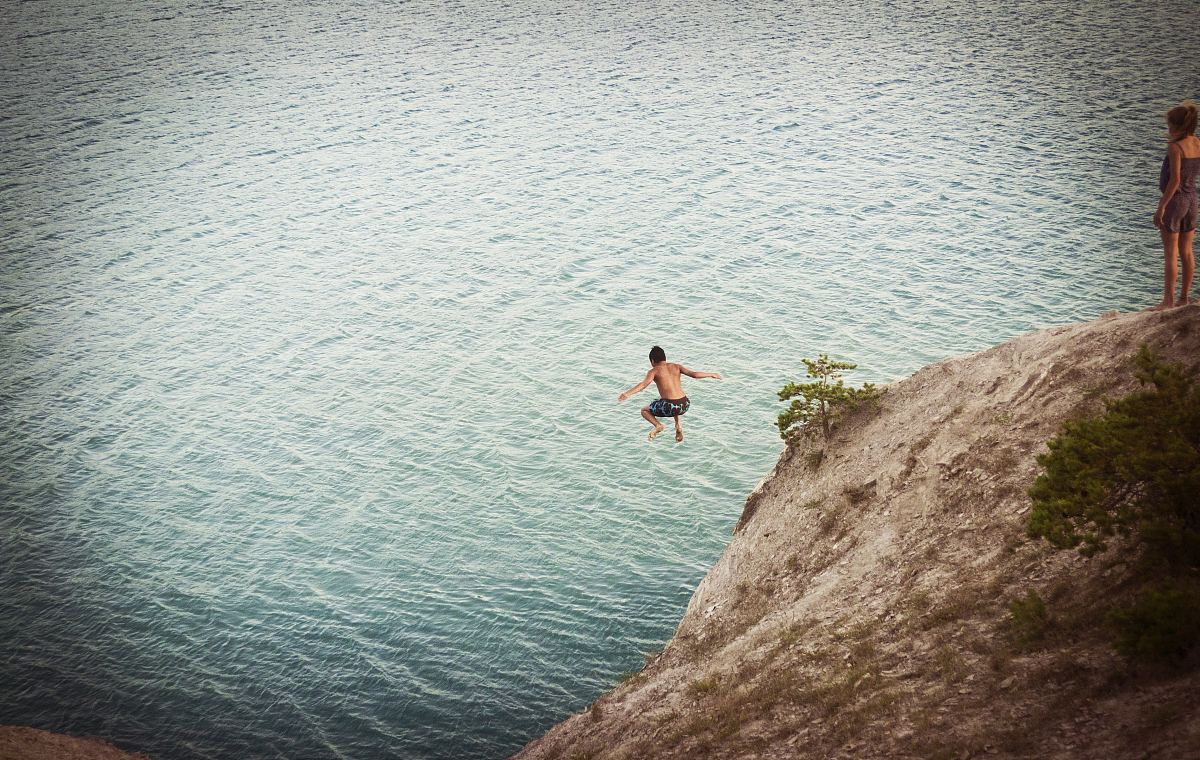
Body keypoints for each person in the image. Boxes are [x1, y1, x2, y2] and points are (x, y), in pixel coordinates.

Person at [1151, 100, 1199, 310]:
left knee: (1171, 253)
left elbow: (1175, 180)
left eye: (1169, 125)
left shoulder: (1175, 146)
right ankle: (1184, 298)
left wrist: (1161, 206)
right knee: (1187, 252)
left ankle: (1168, 301)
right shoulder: (1197, 143)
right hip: (1192, 200)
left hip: (1176, 202)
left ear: (1178, 126)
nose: (1168, 129)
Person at [617, 346, 721, 442]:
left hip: (670, 406)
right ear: (664, 358)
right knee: (667, 400)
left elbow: (643, 385)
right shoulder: (676, 366)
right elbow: (694, 374)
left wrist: (627, 394)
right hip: (684, 404)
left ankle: (658, 426)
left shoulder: (654, 371)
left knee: (644, 410)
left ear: (652, 361)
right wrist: (712, 374)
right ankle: (678, 426)